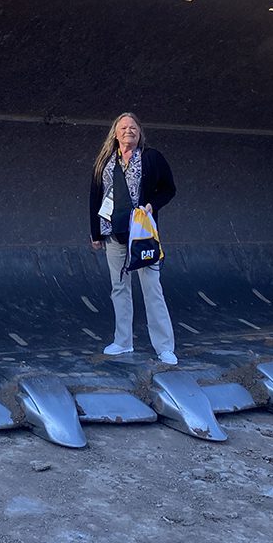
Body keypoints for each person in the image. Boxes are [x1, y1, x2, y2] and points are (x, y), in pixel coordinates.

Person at [88, 112, 178, 365]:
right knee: (119, 287)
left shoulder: (152, 158)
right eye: (123, 127)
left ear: (140, 132)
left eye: (133, 127)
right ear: (115, 133)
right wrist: (95, 232)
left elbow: (169, 189)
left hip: (142, 233)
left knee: (152, 288)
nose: (129, 131)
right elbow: (96, 195)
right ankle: (123, 341)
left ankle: (164, 347)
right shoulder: (104, 160)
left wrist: (152, 205)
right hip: (112, 232)